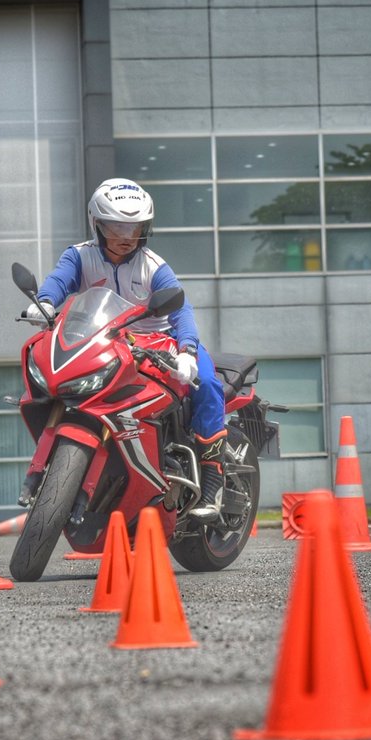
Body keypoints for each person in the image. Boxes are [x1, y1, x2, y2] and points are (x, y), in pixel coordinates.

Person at [23, 178, 227, 522]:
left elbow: (181, 310)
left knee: (205, 382)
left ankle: (213, 475)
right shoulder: (80, 256)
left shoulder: (154, 266)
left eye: (134, 228)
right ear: (96, 224)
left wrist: (188, 351)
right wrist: (44, 302)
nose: (126, 236)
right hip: (107, 342)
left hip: (160, 341)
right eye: (116, 226)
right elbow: (59, 280)